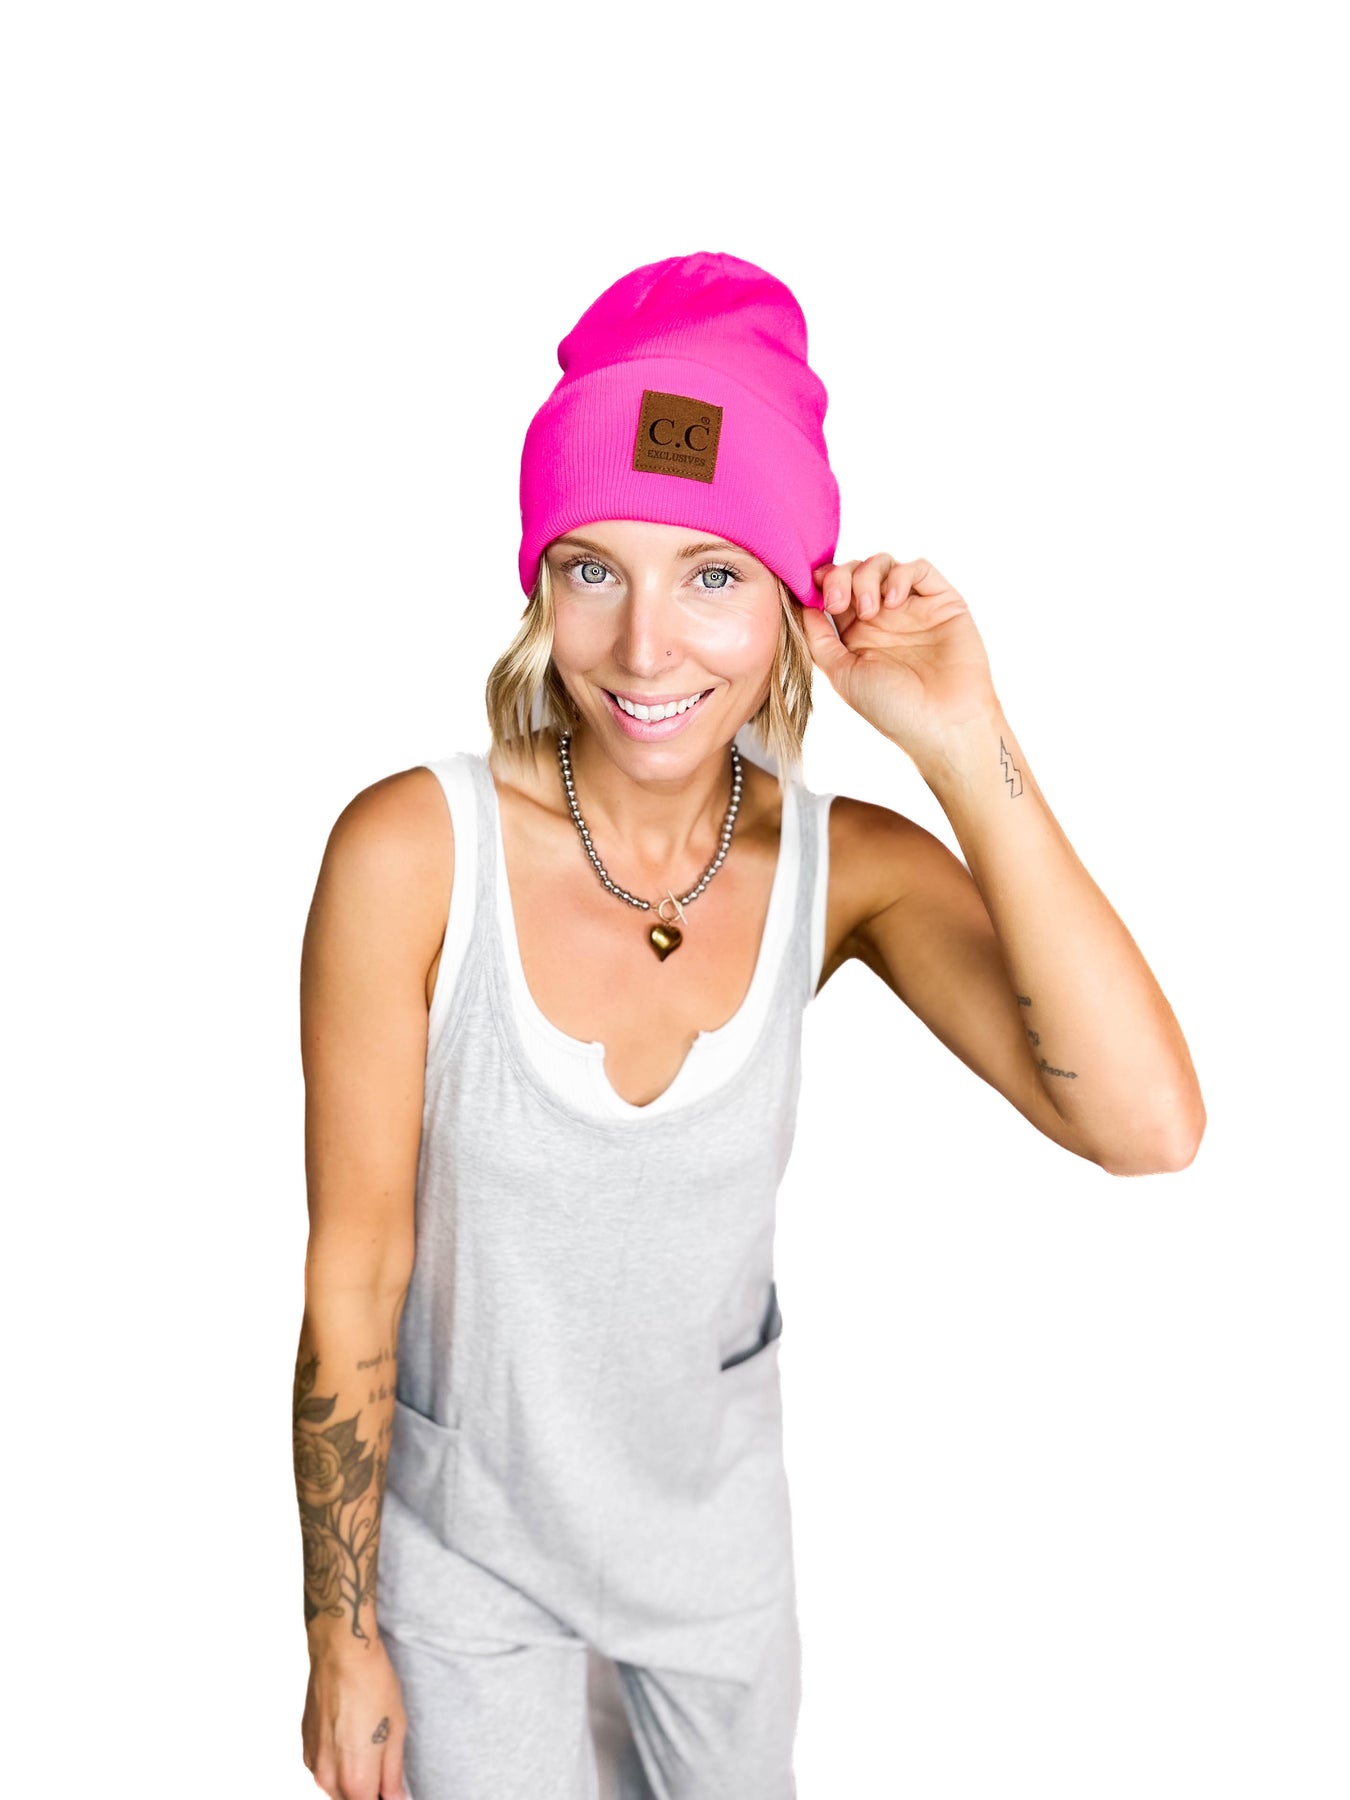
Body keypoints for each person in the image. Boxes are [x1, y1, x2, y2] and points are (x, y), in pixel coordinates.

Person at [294, 252, 1206, 1800]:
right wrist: (341, 1634)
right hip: (463, 1562)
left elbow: (1147, 1126)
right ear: (538, 586)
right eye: (594, 569)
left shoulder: (844, 870)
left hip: (710, 1557)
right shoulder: (412, 851)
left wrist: (960, 738)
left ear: (792, 599)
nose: (645, 649)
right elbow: (356, 1265)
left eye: (713, 576)